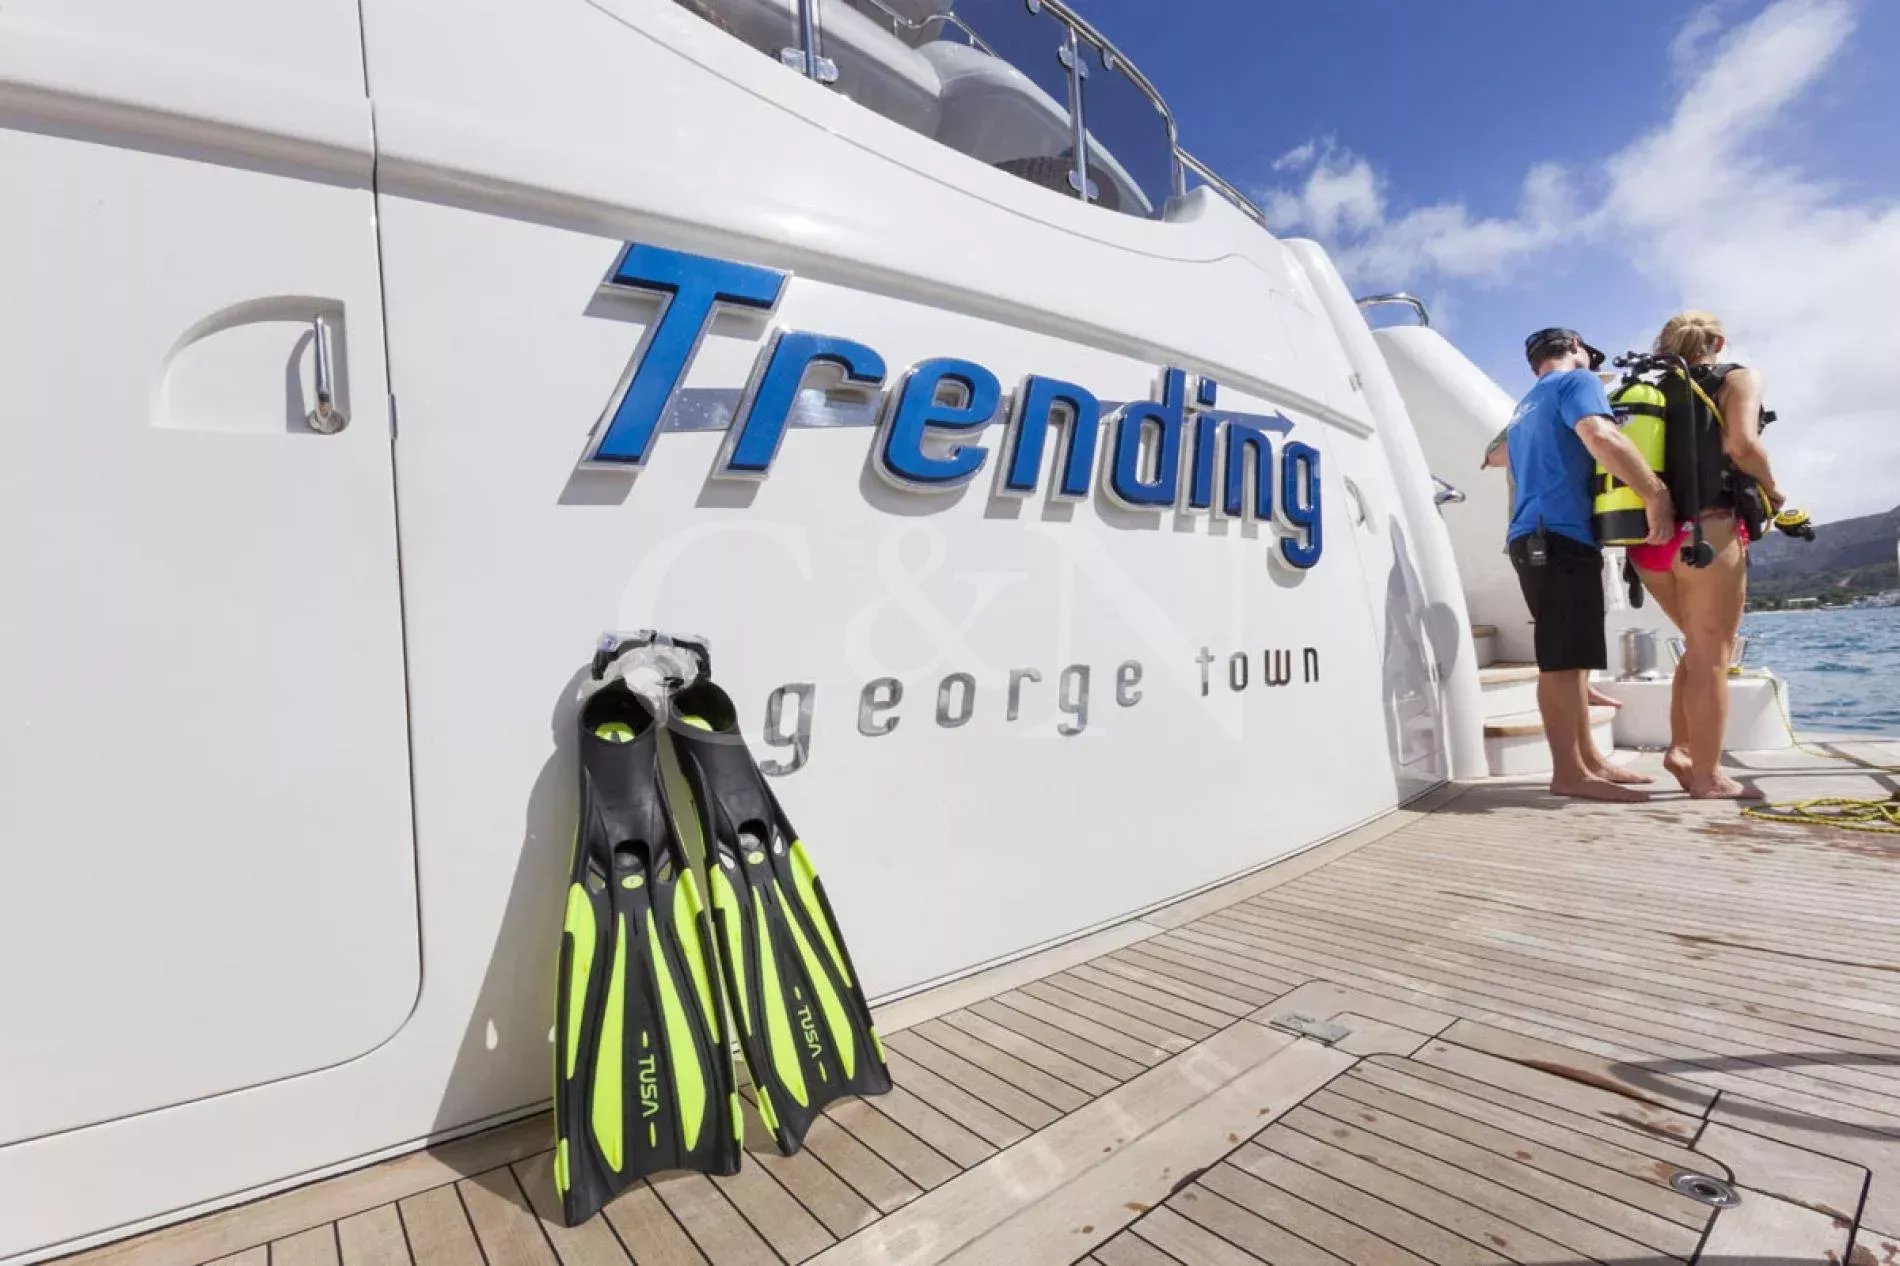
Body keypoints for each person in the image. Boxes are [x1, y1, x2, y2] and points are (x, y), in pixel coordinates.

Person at [1499, 327, 1674, 800]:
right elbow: (1599, 434)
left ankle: (1590, 762)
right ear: (1576, 348)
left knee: (1573, 661)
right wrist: (1655, 493)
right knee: (1560, 663)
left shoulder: (1524, 406)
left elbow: (1499, 458)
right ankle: (1568, 773)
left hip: (1538, 536)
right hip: (1556, 536)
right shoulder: (1577, 381)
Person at [1626, 311, 1782, 799]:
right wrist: (1773, 490)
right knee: (1714, 655)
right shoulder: (1737, 377)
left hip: (1648, 542)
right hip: (1707, 534)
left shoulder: (1652, 390)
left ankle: (1683, 750)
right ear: (1718, 342)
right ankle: (1708, 776)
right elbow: (1742, 445)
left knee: (1698, 646)